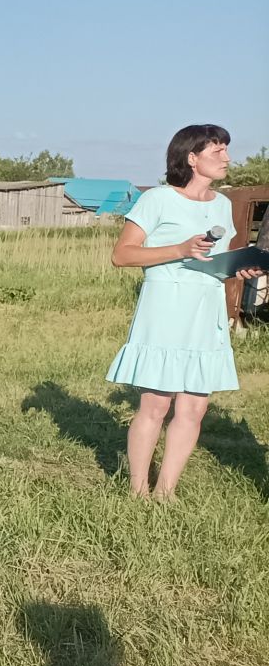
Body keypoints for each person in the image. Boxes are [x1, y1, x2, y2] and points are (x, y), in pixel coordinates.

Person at [108, 124, 264, 499]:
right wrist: (179, 249)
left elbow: (216, 259)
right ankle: (137, 492)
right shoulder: (158, 199)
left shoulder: (223, 205)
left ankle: (166, 491)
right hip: (165, 307)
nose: (227, 158)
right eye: (217, 151)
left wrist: (236, 268)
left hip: (206, 309)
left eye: (227, 150)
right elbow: (122, 255)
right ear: (191, 158)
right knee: (156, 404)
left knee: (194, 408)